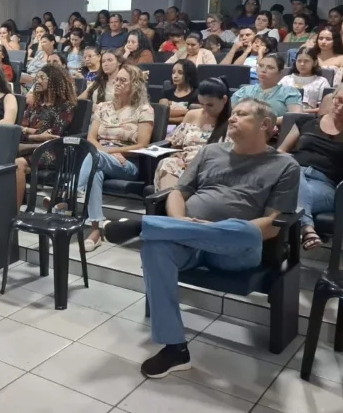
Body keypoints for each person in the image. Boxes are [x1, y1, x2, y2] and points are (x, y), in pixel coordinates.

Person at [118, 99, 299, 378]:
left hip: (235, 250)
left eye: (242, 114)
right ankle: (175, 349)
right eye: (233, 113)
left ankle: (148, 225)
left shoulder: (285, 165)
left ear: (265, 124)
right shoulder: (210, 151)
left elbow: (272, 225)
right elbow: (178, 193)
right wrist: (180, 223)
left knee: (245, 231)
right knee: (155, 248)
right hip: (189, 243)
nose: (232, 118)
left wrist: (217, 230)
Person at [278, 80, 343, 250]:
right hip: (294, 174)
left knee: (288, 188)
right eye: (337, 100)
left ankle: (297, 234)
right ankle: (306, 229)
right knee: (293, 175)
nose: (339, 108)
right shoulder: (306, 123)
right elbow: (281, 151)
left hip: (327, 186)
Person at [78, 64, 155, 250]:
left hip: (127, 163)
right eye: (116, 79)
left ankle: (70, 194)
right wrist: (107, 152)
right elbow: (91, 138)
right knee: (95, 170)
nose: (117, 83)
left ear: (134, 85)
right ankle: (96, 230)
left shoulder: (144, 110)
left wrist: (112, 152)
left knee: (95, 157)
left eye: (123, 80)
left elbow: (143, 145)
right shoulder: (103, 107)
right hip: (101, 157)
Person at [13, 64, 77, 207]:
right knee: (3, 159)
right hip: (28, 147)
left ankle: (14, 212)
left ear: (54, 81)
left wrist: (28, 132)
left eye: (42, 77)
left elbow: (54, 135)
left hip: (52, 151)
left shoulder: (66, 106)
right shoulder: (35, 104)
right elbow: (21, 129)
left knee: (18, 164)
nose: (38, 81)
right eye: (37, 77)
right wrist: (35, 134)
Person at [154, 77, 231, 191]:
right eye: (202, 104)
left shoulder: (232, 121)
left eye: (210, 105)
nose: (205, 109)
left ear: (224, 100)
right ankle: (168, 198)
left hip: (212, 165)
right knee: (168, 163)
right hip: (185, 163)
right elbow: (176, 144)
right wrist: (177, 155)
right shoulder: (192, 114)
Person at [231, 54, 302, 123]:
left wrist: (266, 123)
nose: (263, 70)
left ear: (280, 72)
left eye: (270, 67)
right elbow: (234, 116)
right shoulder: (244, 91)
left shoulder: (289, 92)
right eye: (261, 66)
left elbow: (295, 116)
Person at [280, 47, 331, 112]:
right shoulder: (286, 79)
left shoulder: (321, 81)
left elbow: (326, 107)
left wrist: (302, 111)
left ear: (315, 63)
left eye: (306, 61)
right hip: (286, 114)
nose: (302, 64)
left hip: (310, 115)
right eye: (299, 61)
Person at [161, 60, 198, 125]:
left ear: (189, 75)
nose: (175, 76)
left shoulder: (197, 94)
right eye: (173, 72)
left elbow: (194, 117)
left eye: (180, 73)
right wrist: (187, 111)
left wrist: (168, 119)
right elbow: (162, 112)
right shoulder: (167, 93)